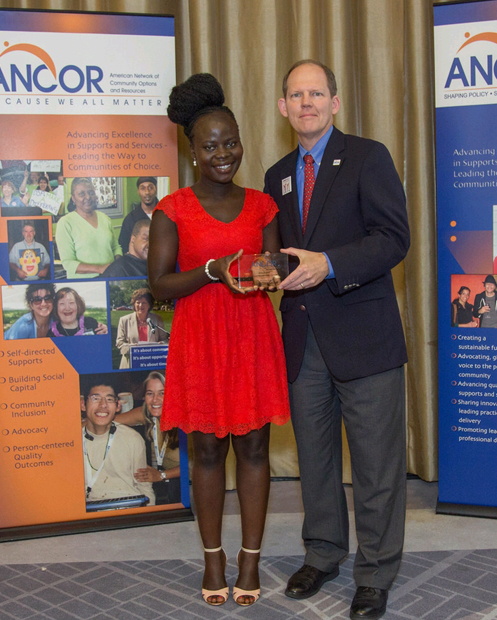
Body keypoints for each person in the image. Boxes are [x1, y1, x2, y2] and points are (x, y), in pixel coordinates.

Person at [264, 60, 410, 620]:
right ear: (283, 107)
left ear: (335, 101)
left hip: (365, 337)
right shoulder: (277, 174)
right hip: (303, 340)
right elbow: (280, 253)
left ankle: (375, 573)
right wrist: (258, 270)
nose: (307, 103)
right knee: (316, 458)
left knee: (376, 464)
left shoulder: (369, 157)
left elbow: (393, 238)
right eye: (296, 95)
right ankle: (323, 553)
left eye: (316, 93)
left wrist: (328, 263)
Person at [148, 73, 290, 608]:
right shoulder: (172, 209)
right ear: (193, 152)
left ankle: (249, 559)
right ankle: (213, 557)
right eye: (211, 146)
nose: (223, 154)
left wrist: (270, 273)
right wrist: (212, 270)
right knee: (206, 450)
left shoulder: (262, 205)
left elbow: (271, 266)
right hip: (200, 339)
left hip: (251, 334)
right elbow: (159, 286)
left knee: (254, 447)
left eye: (230, 142)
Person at [81, 382, 155, 506]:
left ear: (118, 406)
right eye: (95, 398)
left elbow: (145, 487)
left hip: (129, 507)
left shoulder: (132, 439)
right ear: (83, 405)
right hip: (91, 509)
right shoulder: (72, 442)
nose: (103, 405)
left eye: (109, 399)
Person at [115, 371, 181, 505]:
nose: (155, 399)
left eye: (162, 393)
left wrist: (162, 475)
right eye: (150, 393)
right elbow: (107, 421)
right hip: (169, 482)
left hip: (191, 484)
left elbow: (196, 465)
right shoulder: (147, 413)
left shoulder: (185, 420)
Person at [55, 177, 122, 278]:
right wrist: (100, 269)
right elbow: (68, 263)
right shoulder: (65, 223)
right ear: (73, 198)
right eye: (81, 194)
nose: (88, 197)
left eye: (91, 193)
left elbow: (115, 247)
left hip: (110, 278)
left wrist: (117, 263)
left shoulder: (105, 218)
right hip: (83, 283)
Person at [115, 288, 166, 368]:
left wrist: (160, 345)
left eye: (144, 303)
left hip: (152, 364)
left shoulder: (157, 319)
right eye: (138, 302)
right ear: (134, 304)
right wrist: (134, 348)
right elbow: (119, 343)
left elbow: (165, 340)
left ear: (149, 305)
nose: (140, 305)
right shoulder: (124, 320)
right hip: (130, 365)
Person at [118, 177, 158, 253]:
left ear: (156, 189)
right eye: (142, 188)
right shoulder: (130, 219)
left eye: (150, 188)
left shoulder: (166, 214)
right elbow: (124, 247)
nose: (147, 192)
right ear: (138, 191)